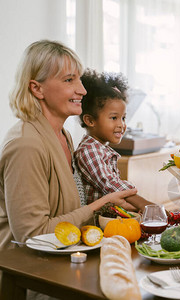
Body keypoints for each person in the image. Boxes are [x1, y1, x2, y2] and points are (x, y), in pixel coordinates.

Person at [0, 40, 137, 252]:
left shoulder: (63, 135)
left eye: (79, 80)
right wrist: (101, 204)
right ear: (37, 88)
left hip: (65, 256)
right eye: (69, 80)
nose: (82, 90)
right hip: (28, 271)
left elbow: (70, 210)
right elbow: (33, 236)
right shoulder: (25, 146)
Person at [74, 69, 154, 211]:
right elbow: (111, 184)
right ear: (90, 120)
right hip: (95, 223)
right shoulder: (89, 151)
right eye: (113, 118)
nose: (121, 125)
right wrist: (144, 204)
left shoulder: (100, 148)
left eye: (123, 118)